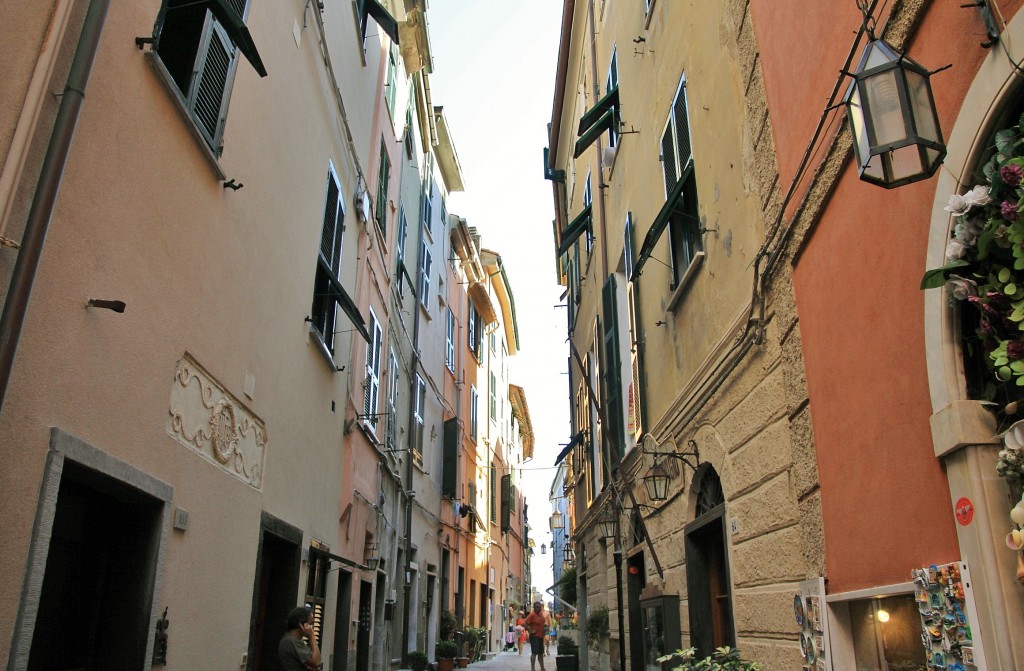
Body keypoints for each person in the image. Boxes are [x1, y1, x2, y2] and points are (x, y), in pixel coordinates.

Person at [279, 606, 322, 671]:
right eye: (310, 624)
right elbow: (316, 662)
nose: (311, 628)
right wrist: (311, 636)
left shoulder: (292, 640)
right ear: (301, 625)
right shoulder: (292, 641)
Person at [524, 601, 547, 671]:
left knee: (541, 653)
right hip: (535, 636)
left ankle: (542, 668)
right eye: (537, 607)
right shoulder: (532, 615)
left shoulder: (540, 614)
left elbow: (542, 622)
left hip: (540, 636)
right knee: (534, 652)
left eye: (540, 607)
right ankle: (533, 668)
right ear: (534, 608)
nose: (539, 608)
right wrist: (530, 630)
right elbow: (525, 623)